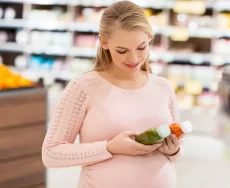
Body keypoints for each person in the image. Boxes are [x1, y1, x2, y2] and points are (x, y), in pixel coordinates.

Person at [42, 1, 183, 187]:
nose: (133, 58)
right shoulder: (85, 87)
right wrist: (109, 147)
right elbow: (51, 154)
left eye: (141, 47)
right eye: (122, 50)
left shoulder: (163, 87)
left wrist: (173, 150)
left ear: (149, 37)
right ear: (104, 42)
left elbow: (177, 154)